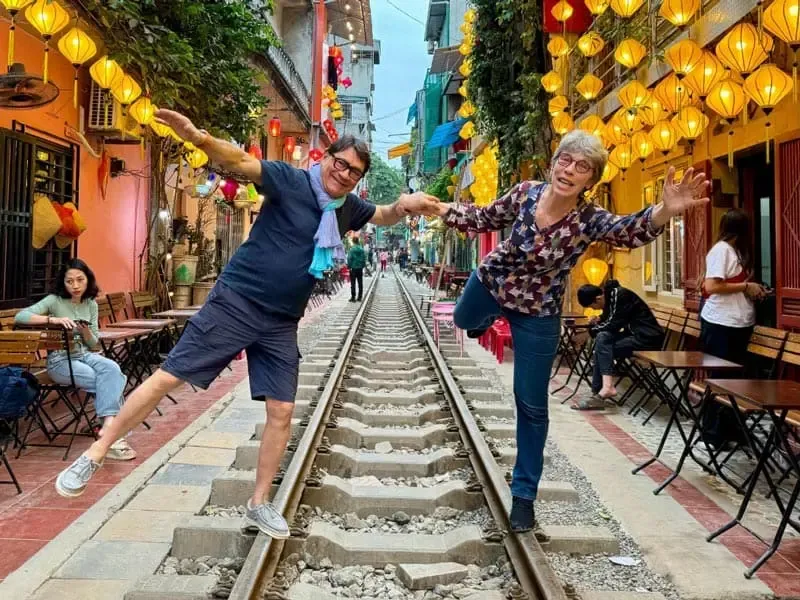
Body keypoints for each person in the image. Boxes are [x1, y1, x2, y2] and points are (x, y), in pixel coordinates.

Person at [54, 108, 441, 537]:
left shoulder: (345, 208)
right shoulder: (289, 180)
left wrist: (406, 205)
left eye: (355, 172)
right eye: (341, 163)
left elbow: (383, 214)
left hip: (280, 322)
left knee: (282, 410)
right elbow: (239, 163)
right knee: (168, 378)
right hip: (237, 302)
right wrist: (200, 137)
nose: (345, 174)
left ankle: (259, 503)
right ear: (326, 157)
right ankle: (96, 451)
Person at [431, 130, 710, 532]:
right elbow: (485, 217)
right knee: (461, 319)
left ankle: (524, 495)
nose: (570, 169)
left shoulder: (588, 219)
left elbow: (628, 230)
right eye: (566, 160)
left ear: (589, 181)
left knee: (531, 404)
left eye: (582, 167)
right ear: (554, 162)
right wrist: (438, 208)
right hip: (492, 284)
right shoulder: (526, 193)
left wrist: (664, 211)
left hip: (539, 312)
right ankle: (481, 323)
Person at [15, 259, 136, 465]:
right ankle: (113, 437)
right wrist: (52, 320)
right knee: (107, 382)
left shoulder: (90, 304)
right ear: (63, 283)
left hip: (85, 356)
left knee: (113, 369)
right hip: (60, 361)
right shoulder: (54, 301)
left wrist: (85, 330)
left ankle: (107, 427)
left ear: (88, 280)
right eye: (70, 281)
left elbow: (93, 344)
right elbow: (21, 316)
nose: (76, 285)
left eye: (80, 280)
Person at [700, 209, 766, 449]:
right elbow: (712, 286)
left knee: (733, 381)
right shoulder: (722, 250)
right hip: (721, 324)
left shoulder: (734, 251)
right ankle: (713, 434)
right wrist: (745, 286)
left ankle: (730, 429)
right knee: (721, 380)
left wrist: (751, 290)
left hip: (735, 323)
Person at [575, 279, 664, 409]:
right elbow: (609, 319)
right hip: (634, 335)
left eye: (592, 306)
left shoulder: (620, 295)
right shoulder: (610, 298)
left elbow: (613, 325)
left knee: (602, 345)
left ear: (598, 298)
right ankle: (601, 390)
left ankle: (603, 390)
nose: (594, 309)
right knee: (602, 339)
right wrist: (598, 320)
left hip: (647, 339)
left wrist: (588, 333)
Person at [347, 237, 367, 302]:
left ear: (353, 241)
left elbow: (349, 258)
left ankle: (353, 297)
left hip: (353, 268)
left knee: (353, 283)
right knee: (360, 282)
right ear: (358, 241)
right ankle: (360, 297)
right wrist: (363, 265)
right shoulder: (361, 249)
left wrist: (349, 266)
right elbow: (364, 258)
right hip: (360, 268)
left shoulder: (352, 249)